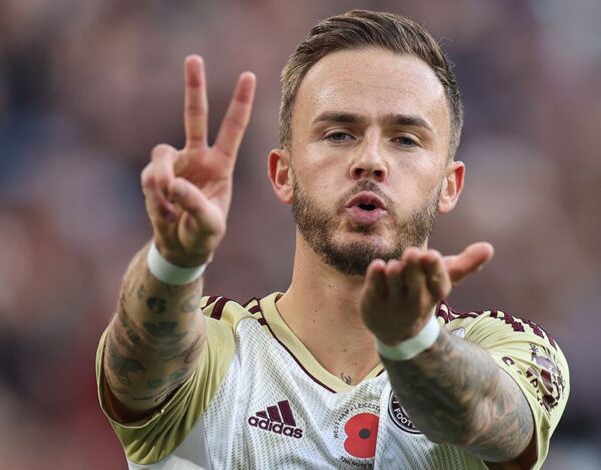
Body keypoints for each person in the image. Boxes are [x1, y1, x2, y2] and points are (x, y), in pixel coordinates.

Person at [96, 9, 569, 469]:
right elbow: (138, 370)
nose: (370, 160)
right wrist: (175, 261)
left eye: (405, 139)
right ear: (283, 174)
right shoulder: (213, 354)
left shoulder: (505, 347)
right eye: (340, 133)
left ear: (449, 185)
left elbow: (488, 418)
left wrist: (412, 342)